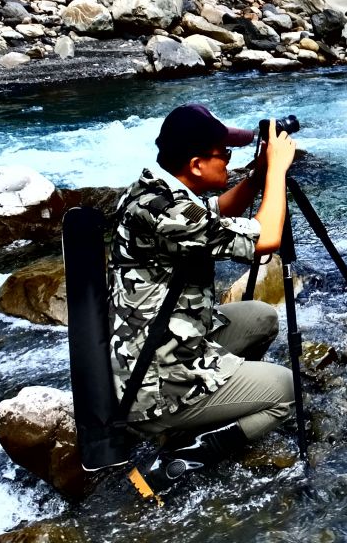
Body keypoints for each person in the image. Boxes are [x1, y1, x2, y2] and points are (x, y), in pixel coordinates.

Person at [107, 103, 298, 498]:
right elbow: (267, 238)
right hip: (154, 384)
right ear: (196, 164)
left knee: (260, 316)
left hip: (161, 347)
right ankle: (178, 457)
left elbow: (215, 213)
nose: (231, 160)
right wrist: (277, 172)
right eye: (224, 154)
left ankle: (220, 407)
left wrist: (257, 176)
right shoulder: (169, 212)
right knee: (286, 390)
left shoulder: (155, 191)